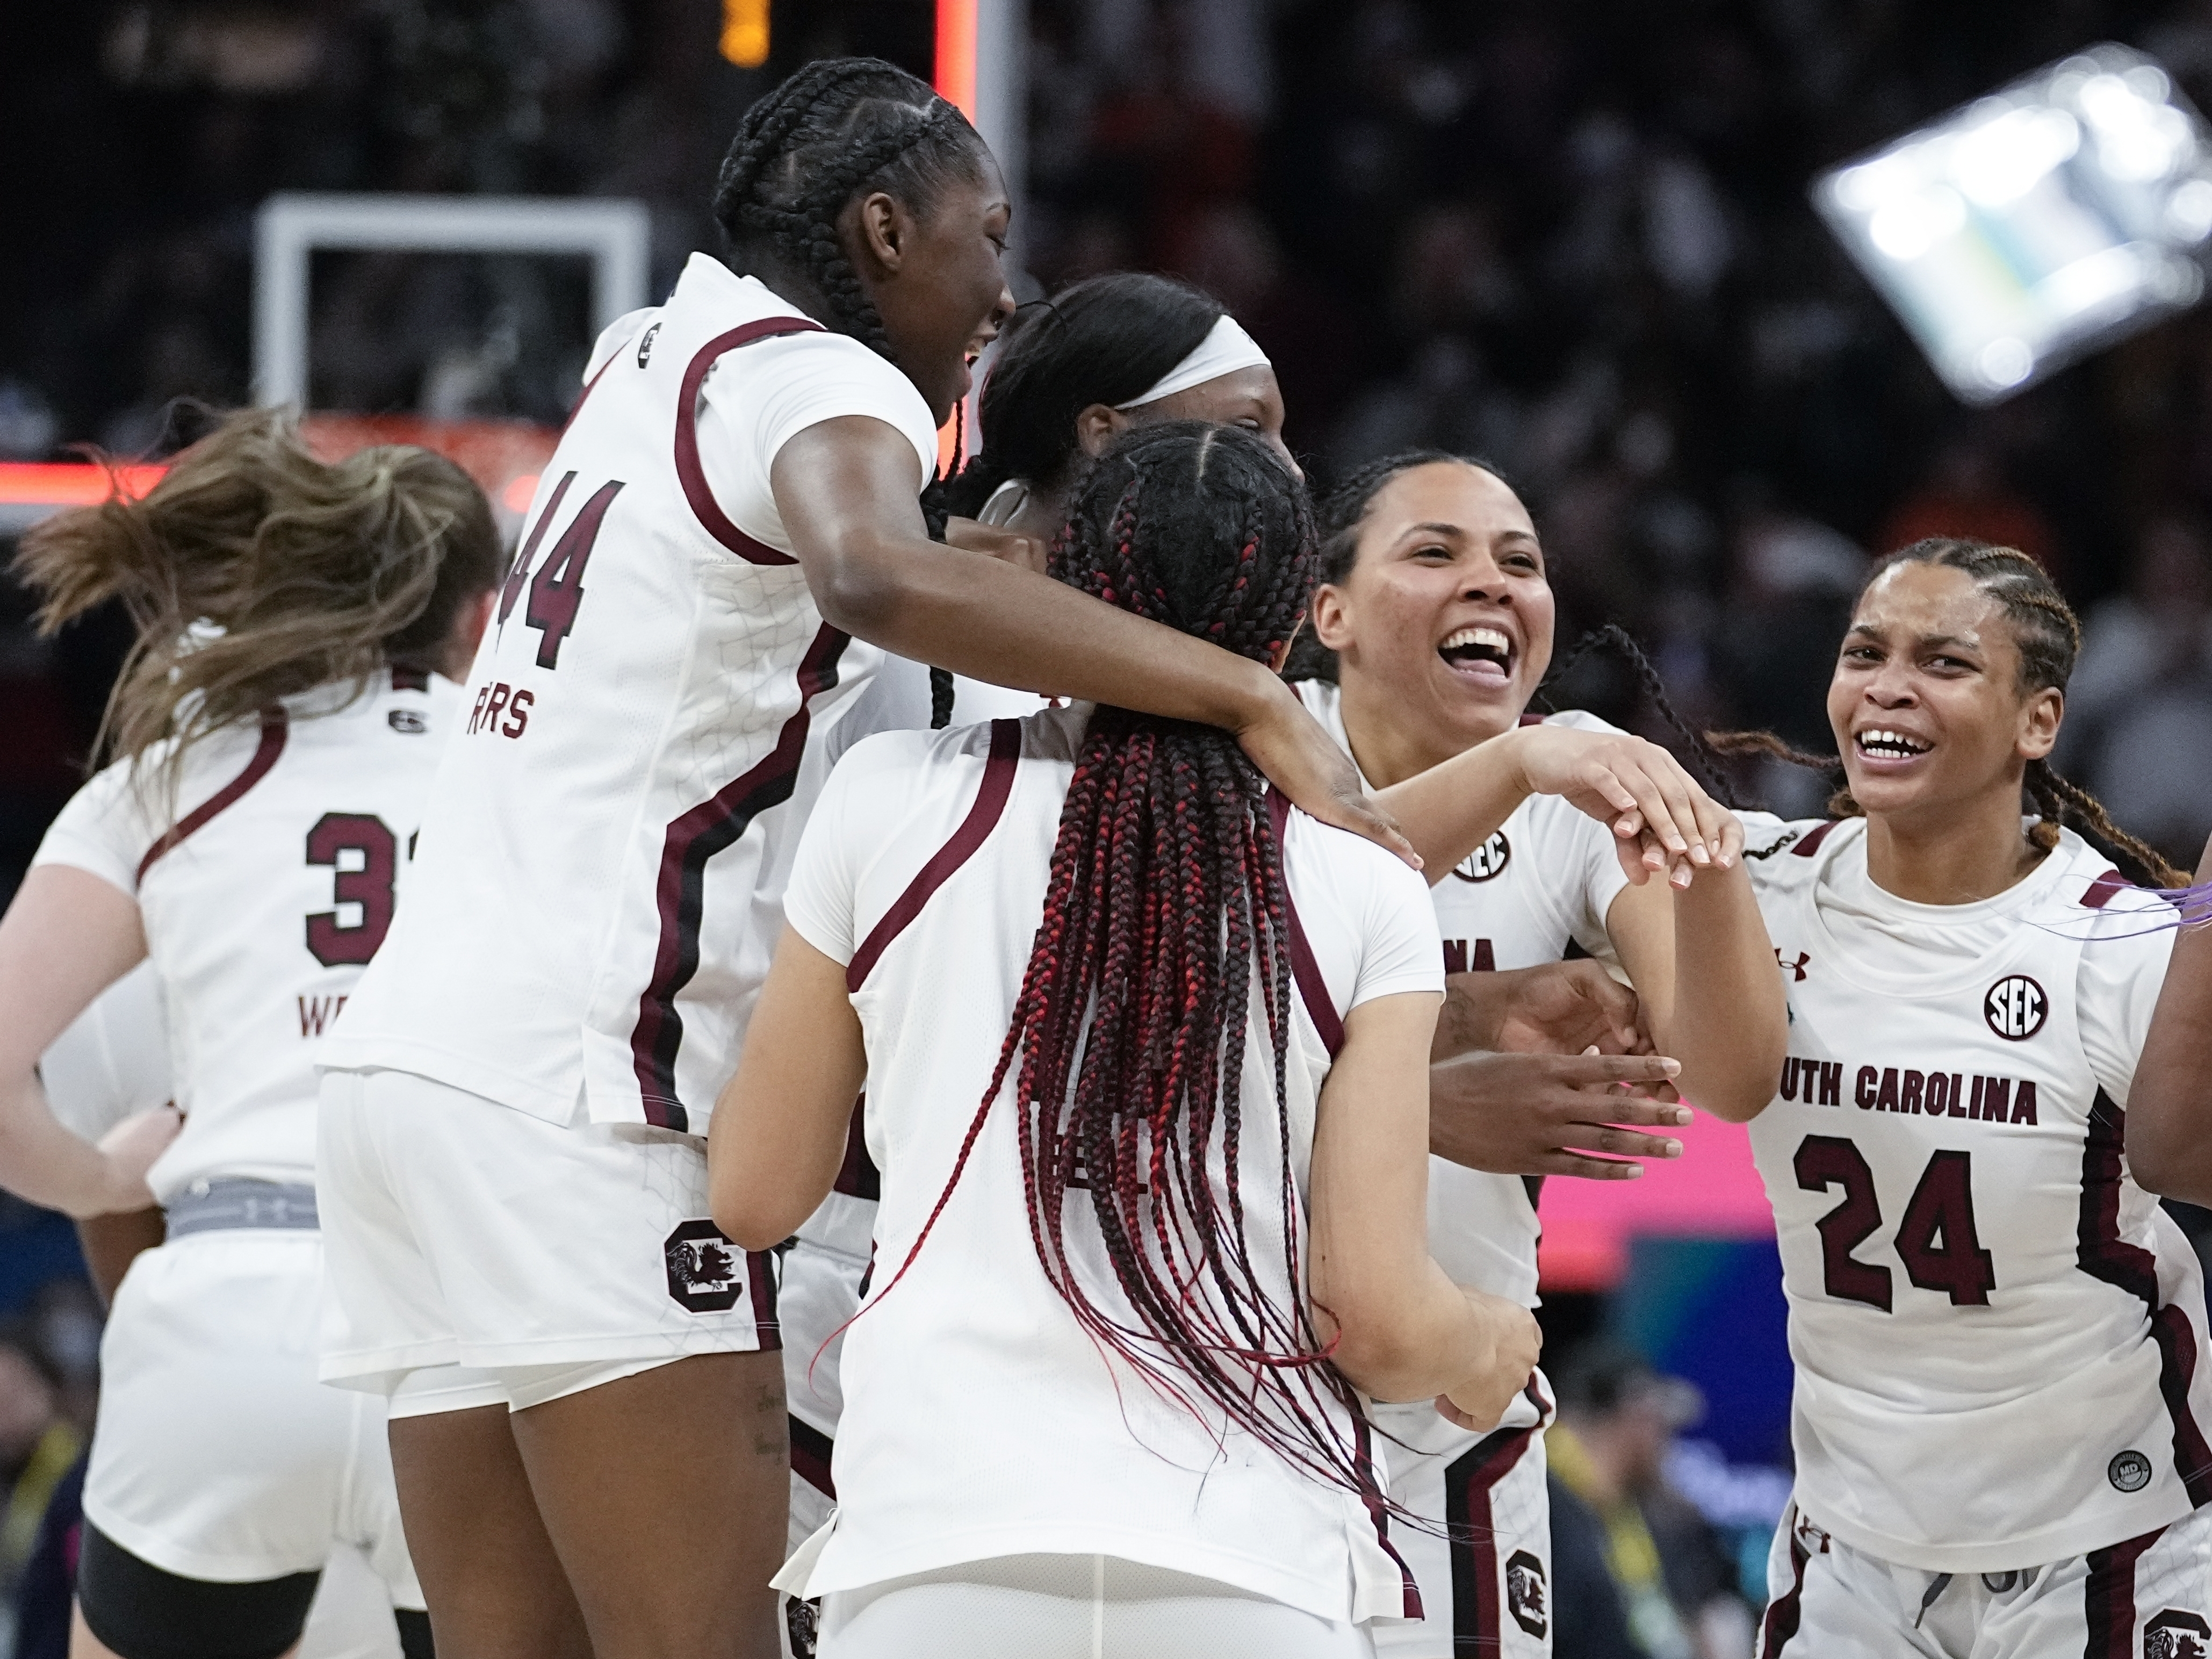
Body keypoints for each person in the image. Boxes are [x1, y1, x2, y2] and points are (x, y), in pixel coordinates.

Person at [311, 57, 1407, 1659]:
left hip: (401, 1077)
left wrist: (993, 552)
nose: (1003, 286)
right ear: (882, 231)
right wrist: (1244, 687)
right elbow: (873, 573)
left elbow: (878, 547)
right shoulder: (829, 379)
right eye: (985, 235)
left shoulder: (644, 351)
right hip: (579, 1099)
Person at [710, 421, 1545, 1656]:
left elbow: (757, 1191)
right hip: (1252, 1569)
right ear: (1283, 635)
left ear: (1068, 595)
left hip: (937, 1551)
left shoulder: (887, 799)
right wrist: (1488, 1340)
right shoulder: (1365, 879)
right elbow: (1369, 1315)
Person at [0, 406, 500, 1659]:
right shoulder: (535, 773)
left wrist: (102, 1172)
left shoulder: (171, 776)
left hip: (225, 1304)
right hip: (464, 1326)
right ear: (480, 616)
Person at [1292, 450, 1786, 1656]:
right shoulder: (1258, 756)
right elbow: (1236, 972)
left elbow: (1729, 1074)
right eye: (1436, 552)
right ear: (1331, 613)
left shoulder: (1567, 795)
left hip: (1461, 1396)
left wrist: (1692, 845)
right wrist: (1425, 1090)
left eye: (1521, 562)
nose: (1491, 583)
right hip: (1243, 1371)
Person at [1702, 538, 2209, 1656]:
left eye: (1942, 661)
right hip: (1852, 1545)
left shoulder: (2115, 942)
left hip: (2107, 1538)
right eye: (1864, 652)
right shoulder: (1755, 889)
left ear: (2038, 722)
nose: (1887, 684)